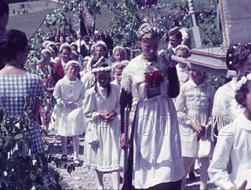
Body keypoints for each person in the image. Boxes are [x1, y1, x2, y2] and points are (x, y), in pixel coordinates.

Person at [119, 22, 184, 190]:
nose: (152, 49)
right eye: (148, 45)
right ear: (140, 43)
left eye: (155, 45)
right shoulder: (131, 68)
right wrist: (123, 131)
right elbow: (124, 102)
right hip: (144, 116)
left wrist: (171, 70)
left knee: (167, 155)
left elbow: (174, 92)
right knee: (145, 155)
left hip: (165, 114)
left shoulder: (164, 61)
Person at [0, 30, 45, 155]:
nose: (28, 52)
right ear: (19, 52)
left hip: (3, 139)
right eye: (26, 49)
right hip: (29, 139)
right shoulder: (35, 80)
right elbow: (34, 113)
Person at [175, 65, 216, 190]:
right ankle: (181, 186)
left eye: (196, 70)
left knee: (204, 159)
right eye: (190, 70)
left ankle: (203, 187)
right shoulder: (184, 88)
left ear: (203, 72)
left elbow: (213, 111)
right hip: (188, 128)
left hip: (205, 128)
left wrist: (206, 125)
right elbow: (178, 111)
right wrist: (191, 123)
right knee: (186, 161)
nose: (193, 72)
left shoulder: (210, 89)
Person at [83, 64, 121, 189]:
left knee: (114, 154)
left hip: (112, 127)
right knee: (99, 155)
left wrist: (115, 112)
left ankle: (116, 186)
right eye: (100, 78)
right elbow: (87, 113)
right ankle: (100, 184)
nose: (103, 80)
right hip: (98, 128)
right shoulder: (91, 92)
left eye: (105, 77)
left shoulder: (115, 88)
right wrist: (100, 115)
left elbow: (120, 105)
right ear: (95, 77)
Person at [51, 60, 86, 163]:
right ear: (66, 70)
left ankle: (76, 155)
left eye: (76, 69)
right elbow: (55, 96)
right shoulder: (61, 83)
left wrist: (77, 103)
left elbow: (83, 97)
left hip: (75, 110)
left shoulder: (80, 84)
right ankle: (64, 152)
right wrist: (62, 102)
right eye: (71, 69)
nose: (73, 71)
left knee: (75, 132)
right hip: (63, 110)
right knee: (64, 131)